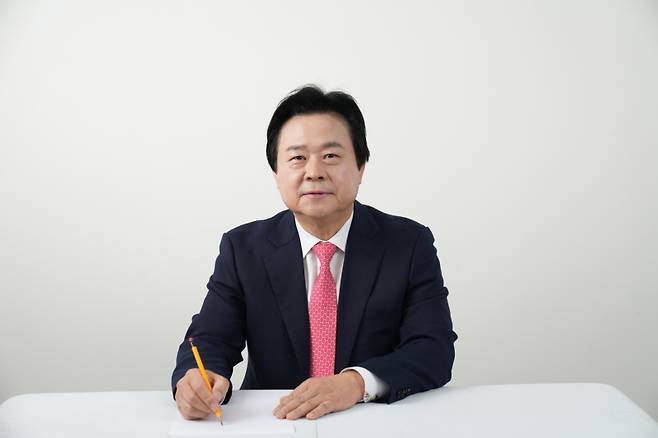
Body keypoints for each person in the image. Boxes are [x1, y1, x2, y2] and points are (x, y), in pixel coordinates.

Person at [171, 84, 458, 421]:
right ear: (276, 173)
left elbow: (433, 349)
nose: (314, 171)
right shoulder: (243, 249)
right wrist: (198, 378)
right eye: (297, 158)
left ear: (361, 167)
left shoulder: (408, 244)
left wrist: (355, 384)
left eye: (331, 156)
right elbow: (210, 338)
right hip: (273, 422)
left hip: (373, 421)